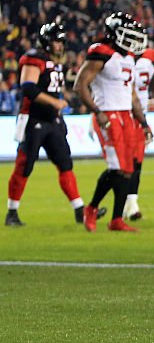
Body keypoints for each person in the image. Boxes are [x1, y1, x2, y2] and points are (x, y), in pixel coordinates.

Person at [6, 19, 94, 226]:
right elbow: (28, 88)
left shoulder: (54, 62)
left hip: (52, 121)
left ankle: (79, 210)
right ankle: (12, 212)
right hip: (33, 119)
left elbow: (52, 88)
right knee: (24, 165)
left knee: (65, 164)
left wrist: (65, 100)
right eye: (56, 41)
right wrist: (55, 101)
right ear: (46, 41)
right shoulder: (33, 58)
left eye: (61, 41)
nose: (60, 45)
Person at [73, 12, 152, 233]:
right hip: (109, 114)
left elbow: (133, 95)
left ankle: (116, 219)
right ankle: (91, 208)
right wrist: (96, 111)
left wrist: (143, 123)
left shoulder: (128, 57)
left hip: (127, 115)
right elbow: (80, 85)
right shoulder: (101, 52)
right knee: (117, 167)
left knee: (128, 170)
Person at [122, 42, 154, 220]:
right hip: (121, 115)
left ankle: (131, 204)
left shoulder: (149, 58)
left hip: (139, 117)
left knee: (136, 163)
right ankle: (123, 204)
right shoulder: (118, 57)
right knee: (122, 165)